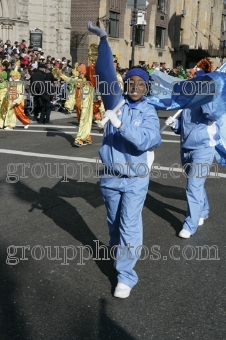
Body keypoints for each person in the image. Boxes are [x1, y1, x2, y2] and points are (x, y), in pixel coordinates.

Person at [87, 21, 161, 298]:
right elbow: (104, 73)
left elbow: (147, 140)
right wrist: (104, 39)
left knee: (129, 225)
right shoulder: (114, 101)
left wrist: (120, 125)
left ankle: (126, 276)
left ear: (146, 87)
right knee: (114, 225)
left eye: (141, 83)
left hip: (135, 180)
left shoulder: (150, 112)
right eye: (131, 81)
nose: (135, 86)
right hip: (110, 177)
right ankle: (121, 256)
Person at [165, 59, 219, 239]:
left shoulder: (209, 98)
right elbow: (183, 126)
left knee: (193, 186)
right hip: (186, 147)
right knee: (195, 183)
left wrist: (203, 95)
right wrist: (174, 124)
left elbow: (212, 114)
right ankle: (203, 210)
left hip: (203, 148)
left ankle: (190, 224)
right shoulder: (187, 100)